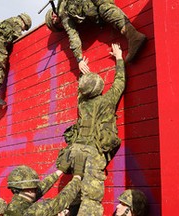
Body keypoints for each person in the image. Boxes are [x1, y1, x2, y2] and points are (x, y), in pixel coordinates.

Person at [56, 43, 125, 216]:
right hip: (93, 154)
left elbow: (83, 89)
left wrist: (82, 71)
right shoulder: (107, 102)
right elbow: (119, 83)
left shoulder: (82, 103)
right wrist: (119, 58)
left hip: (75, 151)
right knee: (91, 201)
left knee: (76, 194)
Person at [45, 0, 146, 74]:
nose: (55, 18)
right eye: (55, 22)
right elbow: (73, 35)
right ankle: (134, 36)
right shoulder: (65, 12)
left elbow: (73, 36)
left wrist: (79, 60)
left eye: (53, 17)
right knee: (104, 9)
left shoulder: (62, 10)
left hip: (98, 8)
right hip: (97, 8)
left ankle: (134, 37)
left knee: (105, 9)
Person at [5, 153, 85, 216]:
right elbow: (60, 201)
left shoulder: (15, 205)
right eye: (35, 188)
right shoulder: (31, 212)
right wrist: (77, 176)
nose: (37, 189)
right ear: (29, 190)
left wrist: (60, 170)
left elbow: (41, 187)